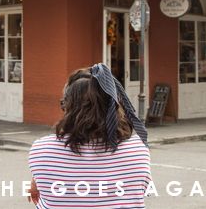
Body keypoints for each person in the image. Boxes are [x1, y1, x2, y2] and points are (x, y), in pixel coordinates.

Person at [28, 64, 151, 208]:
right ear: (114, 107)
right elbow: (139, 190)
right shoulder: (139, 150)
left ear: (67, 107)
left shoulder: (40, 150)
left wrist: (37, 181)